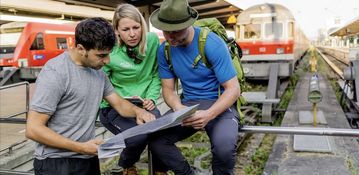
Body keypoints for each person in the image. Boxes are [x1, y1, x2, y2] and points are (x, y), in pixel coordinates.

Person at [25, 17, 155, 175]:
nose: (107, 61)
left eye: (108, 54)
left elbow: (119, 103)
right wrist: (80, 147)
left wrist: (139, 112)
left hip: (88, 157)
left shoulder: (98, 72)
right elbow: (33, 129)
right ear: (81, 48)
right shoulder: (56, 72)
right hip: (57, 163)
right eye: (101, 55)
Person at [149, 0, 241, 174]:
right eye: (166, 32)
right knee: (157, 140)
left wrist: (208, 115)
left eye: (176, 31)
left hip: (219, 103)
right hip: (188, 104)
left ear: (188, 24)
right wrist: (179, 109)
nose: (170, 37)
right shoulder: (165, 50)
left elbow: (233, 89)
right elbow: (168, 90)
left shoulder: (211, 44)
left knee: (224, 149)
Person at [98, 4, 165, 175]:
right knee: (138, 137)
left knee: (160, 135)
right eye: (126, 29)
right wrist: (125, 98)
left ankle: (159, 170)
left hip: (145, 105)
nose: (132, 34)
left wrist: (151, 98)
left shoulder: (151, 41)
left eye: (136, 27)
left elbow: (155, 74)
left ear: (142, 26)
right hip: (114, 107)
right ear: (117, 30)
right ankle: (126, 165)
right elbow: (101, 84)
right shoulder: (110, 50)